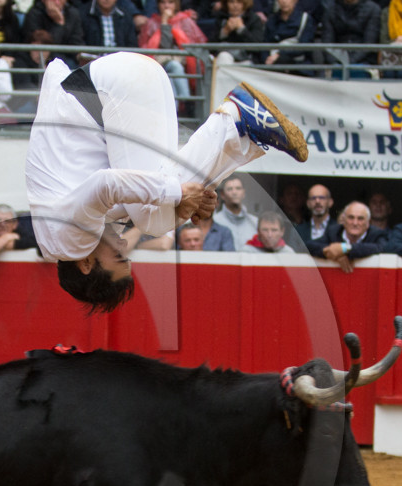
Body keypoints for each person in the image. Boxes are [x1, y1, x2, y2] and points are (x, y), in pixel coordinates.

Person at [25, 51, 308, 311]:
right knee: (156, 213)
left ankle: (237, 120)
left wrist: (177, 193)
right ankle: (239, 127)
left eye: (119, 258)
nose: (126, 247)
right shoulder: (62, 236)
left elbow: (105, 184)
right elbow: (119, 191)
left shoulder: (69, 244)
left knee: (153, 220)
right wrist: (188, 200)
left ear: (86, 263)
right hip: (122, 81)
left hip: (118, 88)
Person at [138, 0, 207, 105]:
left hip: (184, 66)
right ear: (158, 4)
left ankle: (177, 111)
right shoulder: (151, 23)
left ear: (176, 4)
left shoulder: (185, 21)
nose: (166, 6)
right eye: (163, 2)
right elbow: (163, 46)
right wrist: (164, 22)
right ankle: (186, 100)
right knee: (174, 67)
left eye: (170, 2)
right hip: (157, 66)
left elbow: (197, 45)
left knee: (171, 75)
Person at [305, 201, 390, 273]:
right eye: (351, 217)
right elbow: (309, 245)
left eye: (360, 219)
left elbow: (381, 247)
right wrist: (334, 254)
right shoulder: (334, 232)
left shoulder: (377, 234)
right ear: (344, 220)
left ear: (368, 223)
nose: (355, 223)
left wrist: (345, 248)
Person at [320, 0, 382, 78]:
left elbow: (369, 44)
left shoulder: (373, 9)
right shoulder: (330, 10)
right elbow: (326, 44)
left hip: (364, 62)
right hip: (335, 61)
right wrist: (338, 62)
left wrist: (348, 62)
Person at [263, 0, 317, 70]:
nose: (284, 2)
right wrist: (266, 60)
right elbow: (265, 45)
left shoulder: (305, 19)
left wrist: (279, 54)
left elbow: (304, 47)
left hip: (299, 66)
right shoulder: (271, 20)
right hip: (273, 65)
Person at [212, 0, 265, 65]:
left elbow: (257, 45)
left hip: (246, 60)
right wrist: (224, 31)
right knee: (224, 56)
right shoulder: (221, 18)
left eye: (239, 2)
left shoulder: (254, 19)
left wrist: (242, 29)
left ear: (245, 4)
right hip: (225, 56)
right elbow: (210, 46)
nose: (235, 5)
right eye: (231, 2)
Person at [214, 174, 257, 246]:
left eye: (238, 188)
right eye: (230, 189)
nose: (234, 192)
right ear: (222, 195)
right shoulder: (215, 221)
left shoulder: (255, 222)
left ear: (243, 193)